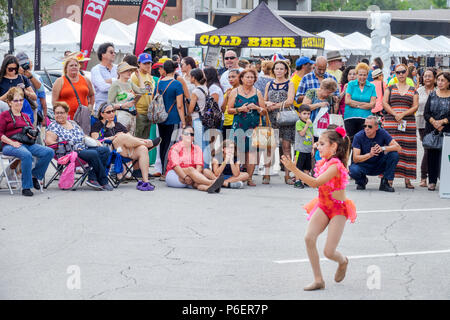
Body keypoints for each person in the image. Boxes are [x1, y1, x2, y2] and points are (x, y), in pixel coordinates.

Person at [280, 127, 356, 291]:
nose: (317, 146)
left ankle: (342, 261)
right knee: (309, 238)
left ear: (334, 147)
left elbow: (315, 183)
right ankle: (318, 279)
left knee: (329, 252)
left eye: (322, 144)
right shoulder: (325, 162)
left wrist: (294, 169)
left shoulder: (335, 166)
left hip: (337, 210)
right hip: (323, 205)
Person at [90, 102, 161, 191]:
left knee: (142, 149)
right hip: (110, 151)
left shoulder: (118, 125)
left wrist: (123, 136)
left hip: (126, 150)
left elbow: (131, 139)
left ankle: (145, 181)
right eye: (108, 112)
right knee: (121, 136)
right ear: (102, 114)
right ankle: (147, 143)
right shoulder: (97, 125)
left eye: (113, 111)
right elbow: (96, 141)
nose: (112, 113)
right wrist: (112, 137)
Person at [45, 101, 113, 191]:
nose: (59, 115)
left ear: (66, 113)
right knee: (93, 153)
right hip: (70, 152)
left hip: (83, 148)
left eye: (62, 113)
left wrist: (95, 141)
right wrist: (64, 143)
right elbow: (49, 142)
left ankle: (92, 178)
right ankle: (103, 181)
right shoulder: (53, 126)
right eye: (57, 113)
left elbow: (83, 136)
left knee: (104, 150)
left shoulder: (73, 123)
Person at [0, 87, 54, 196]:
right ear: (9, 102)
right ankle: (26, 187)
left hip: (26, 143)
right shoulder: (4, 116)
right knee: (26, 155)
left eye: (21, 100)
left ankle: (35, 176)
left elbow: (30, 130)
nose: (19, 103)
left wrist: (33, 134)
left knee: (48, 152)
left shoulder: (25, 116)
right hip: (9, 145)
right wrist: (12, 143)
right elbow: (0, 134)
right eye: (16, 100)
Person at [383, 63, 419, 189]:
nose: (401, 74)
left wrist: (402, 114)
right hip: (391, 123)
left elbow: (415, 106)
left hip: (407, 123)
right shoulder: (390, 88)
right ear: (395, 74)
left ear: (407, 73)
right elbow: (384, 103)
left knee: (408, 151)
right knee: (391, 149)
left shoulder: (413, 89)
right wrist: (395, 114)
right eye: (398, 72)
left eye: (403, 72)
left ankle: (407, 180)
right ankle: (388, 178)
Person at [227, 68, 266, 186]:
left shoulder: (258, 92)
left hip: (253, 127)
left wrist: (257, 108)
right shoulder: (235, 92)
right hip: (238, 125)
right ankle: (237, 176)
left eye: (252, 77)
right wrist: (240, 109)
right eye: (247, 77)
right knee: (238, 151)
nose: (250, 79)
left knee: (252, 153)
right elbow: (229, 110)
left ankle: (249, 178)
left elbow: (264, 111)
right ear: (242, 78)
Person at [349, 116, 401, 192]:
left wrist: (382, 148)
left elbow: (398, 147)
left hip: (379, 164)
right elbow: (355, 159)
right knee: (352, 170)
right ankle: (362, 181)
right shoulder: (358, 136)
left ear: (376, 127)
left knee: (394, 154)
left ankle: (385, 183)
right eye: (365, 126)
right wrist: (370, 154)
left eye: (369, 126)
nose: (366, 128)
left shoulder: (382, 132)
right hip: (364, 165)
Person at [264, 60, 296, 185]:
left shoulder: (290, 84)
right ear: (273, 70)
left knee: (286, 147)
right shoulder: (269, 84)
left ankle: (287, 175)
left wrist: (275, 106)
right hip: (271, 118)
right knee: (269, 146)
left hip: (285, 117)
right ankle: (266, 174)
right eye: (276, 69)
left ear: (286, 70)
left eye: (281, 69)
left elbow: (290, 101)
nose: (279, 71)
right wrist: (267, 104)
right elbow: (264, 100)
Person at [165, 125, 225, 192]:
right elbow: (175, 166)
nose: (189, 136)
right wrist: (185, 177)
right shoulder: (175, 148)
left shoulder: (197, 149)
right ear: (181, 135)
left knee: (204, 172)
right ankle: (212, 182)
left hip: (192, 176)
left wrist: (193, 177)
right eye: (186, 134)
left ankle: (210, 188)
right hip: (174, 174)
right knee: (190, 170)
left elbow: (199, 167)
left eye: (192, 134)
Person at [157, 60, 186, 179]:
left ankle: (164, 169)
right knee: (170, 145)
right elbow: (180, 105)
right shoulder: (177, 84)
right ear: (175, 69)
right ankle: (165, 171)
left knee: (163, 143)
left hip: (161, 117)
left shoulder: (159, 83)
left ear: (164, 69)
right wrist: (183, 120)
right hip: (173, 117)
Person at [51, 54, 95, 133]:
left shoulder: (85, 80)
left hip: (83, 117)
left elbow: (92, 95)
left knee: (83, 137)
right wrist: (60, 114)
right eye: (71, 65)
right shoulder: (60, 81)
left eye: (76, 65)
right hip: (66, 118)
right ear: (66, 68)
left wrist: (90, 107)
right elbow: (54, 102)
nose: (74, 67)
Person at [423, 71, 450, 191]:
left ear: (448, 82)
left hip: (447, 129)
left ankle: (445, 180)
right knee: (432, 156)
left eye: (443, 80)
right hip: (432, 129)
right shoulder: (432, 95)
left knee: (446, 157)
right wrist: (434, 122)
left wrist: (443, 122)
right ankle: (432, 181)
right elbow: (426, 113)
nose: (440, 83)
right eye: (438, 80)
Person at [108, 61, 147, 136]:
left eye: (130, 70)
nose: (129, 72)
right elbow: (109, 104)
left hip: (132, 115)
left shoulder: (130, 83)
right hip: (121, 115)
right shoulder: (115, 85)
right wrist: (122, 105)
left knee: (131, 138)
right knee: (123, 138)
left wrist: (139, 77)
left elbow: (142, 91)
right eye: (126, 70)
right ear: (120, 72)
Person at [343, 62, 377, 141]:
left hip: (365, 119)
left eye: (364, 75)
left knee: (363, 141)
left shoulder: (371, 86)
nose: (362, 77)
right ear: (357, 74)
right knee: (350, 140)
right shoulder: (351, 84)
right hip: (350, 117)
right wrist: (364, 105)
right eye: (360, 75)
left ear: (367, 75)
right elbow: (347, 101)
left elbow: (372, 104)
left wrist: (355, 103)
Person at [0, 55, 38, 124]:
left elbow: (34, 97)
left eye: (16, 69)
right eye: (11, 69)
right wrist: (10, 92)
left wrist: (25, 91)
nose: (13, 71)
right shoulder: (1, 80)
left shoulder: (22, 78)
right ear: (5, 68)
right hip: (5, 115)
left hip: (22, 113)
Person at [416, 68, 436, 187]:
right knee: (428, 149)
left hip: (438, 124)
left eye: (429, 76)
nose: (427, 78)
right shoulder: (419, 91)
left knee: (437, 150)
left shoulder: (440, 90)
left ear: (434, 77)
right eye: (425, 76)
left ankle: (436, 176)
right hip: (423, 123)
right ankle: (424, 177)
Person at [16, 52, 46, 126]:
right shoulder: (14, 76)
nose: (25, 66)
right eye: (22, 65)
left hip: (32, 110)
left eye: (26, 63)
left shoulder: (34, 76)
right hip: (17, 111)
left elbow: (41, 91)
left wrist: (44, 116)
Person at [188, 68, 210, 166]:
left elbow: (190, 109)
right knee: (205, 144)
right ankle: (206, 166)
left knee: (199, 144)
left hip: (197, 119)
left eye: (190, 76)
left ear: (194, 78)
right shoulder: (205, 88)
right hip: (206, 118)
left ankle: (202, 167)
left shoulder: (195, 91)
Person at [132, 53, 155, 140]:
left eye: (149, 63)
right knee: (137, 139)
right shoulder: (135, 76)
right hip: (139, 112)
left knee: (145, 140)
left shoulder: (149, 76)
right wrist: (135, 111)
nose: (147, 65)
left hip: (148, 112)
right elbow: (132, 94)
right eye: (145, 63)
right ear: (139, 64)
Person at [91, 42, 118, 116]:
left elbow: (126, 83)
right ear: (103, 54)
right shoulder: (96, 69)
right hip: (102, 110)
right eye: (111, 52)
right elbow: (102, 87)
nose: (114, 54)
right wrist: (116, 81)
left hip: (117, 109)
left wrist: (110, 81)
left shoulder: (118, 68)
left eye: (114, 52)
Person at [293, 104, 314, 189]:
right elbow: (302, 133)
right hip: (300, 149)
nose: (307, 116)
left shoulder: (310, 122)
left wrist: (312, 147)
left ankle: (305, 180)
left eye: (308, 114)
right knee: (299, 166)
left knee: (307, 167)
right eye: (304, 113)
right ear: (300, 114)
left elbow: (312, 135)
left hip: (308, 149)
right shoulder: (299, 123)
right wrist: (306, 125)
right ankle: (297, 181)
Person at [221, 69, 240, 139]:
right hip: (227, 123)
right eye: (229, 77)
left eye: (233, 77)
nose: (231, 79)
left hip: (237, 123)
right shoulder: (229, 91)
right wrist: (227, 97)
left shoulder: (242, 91)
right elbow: (223, 109)